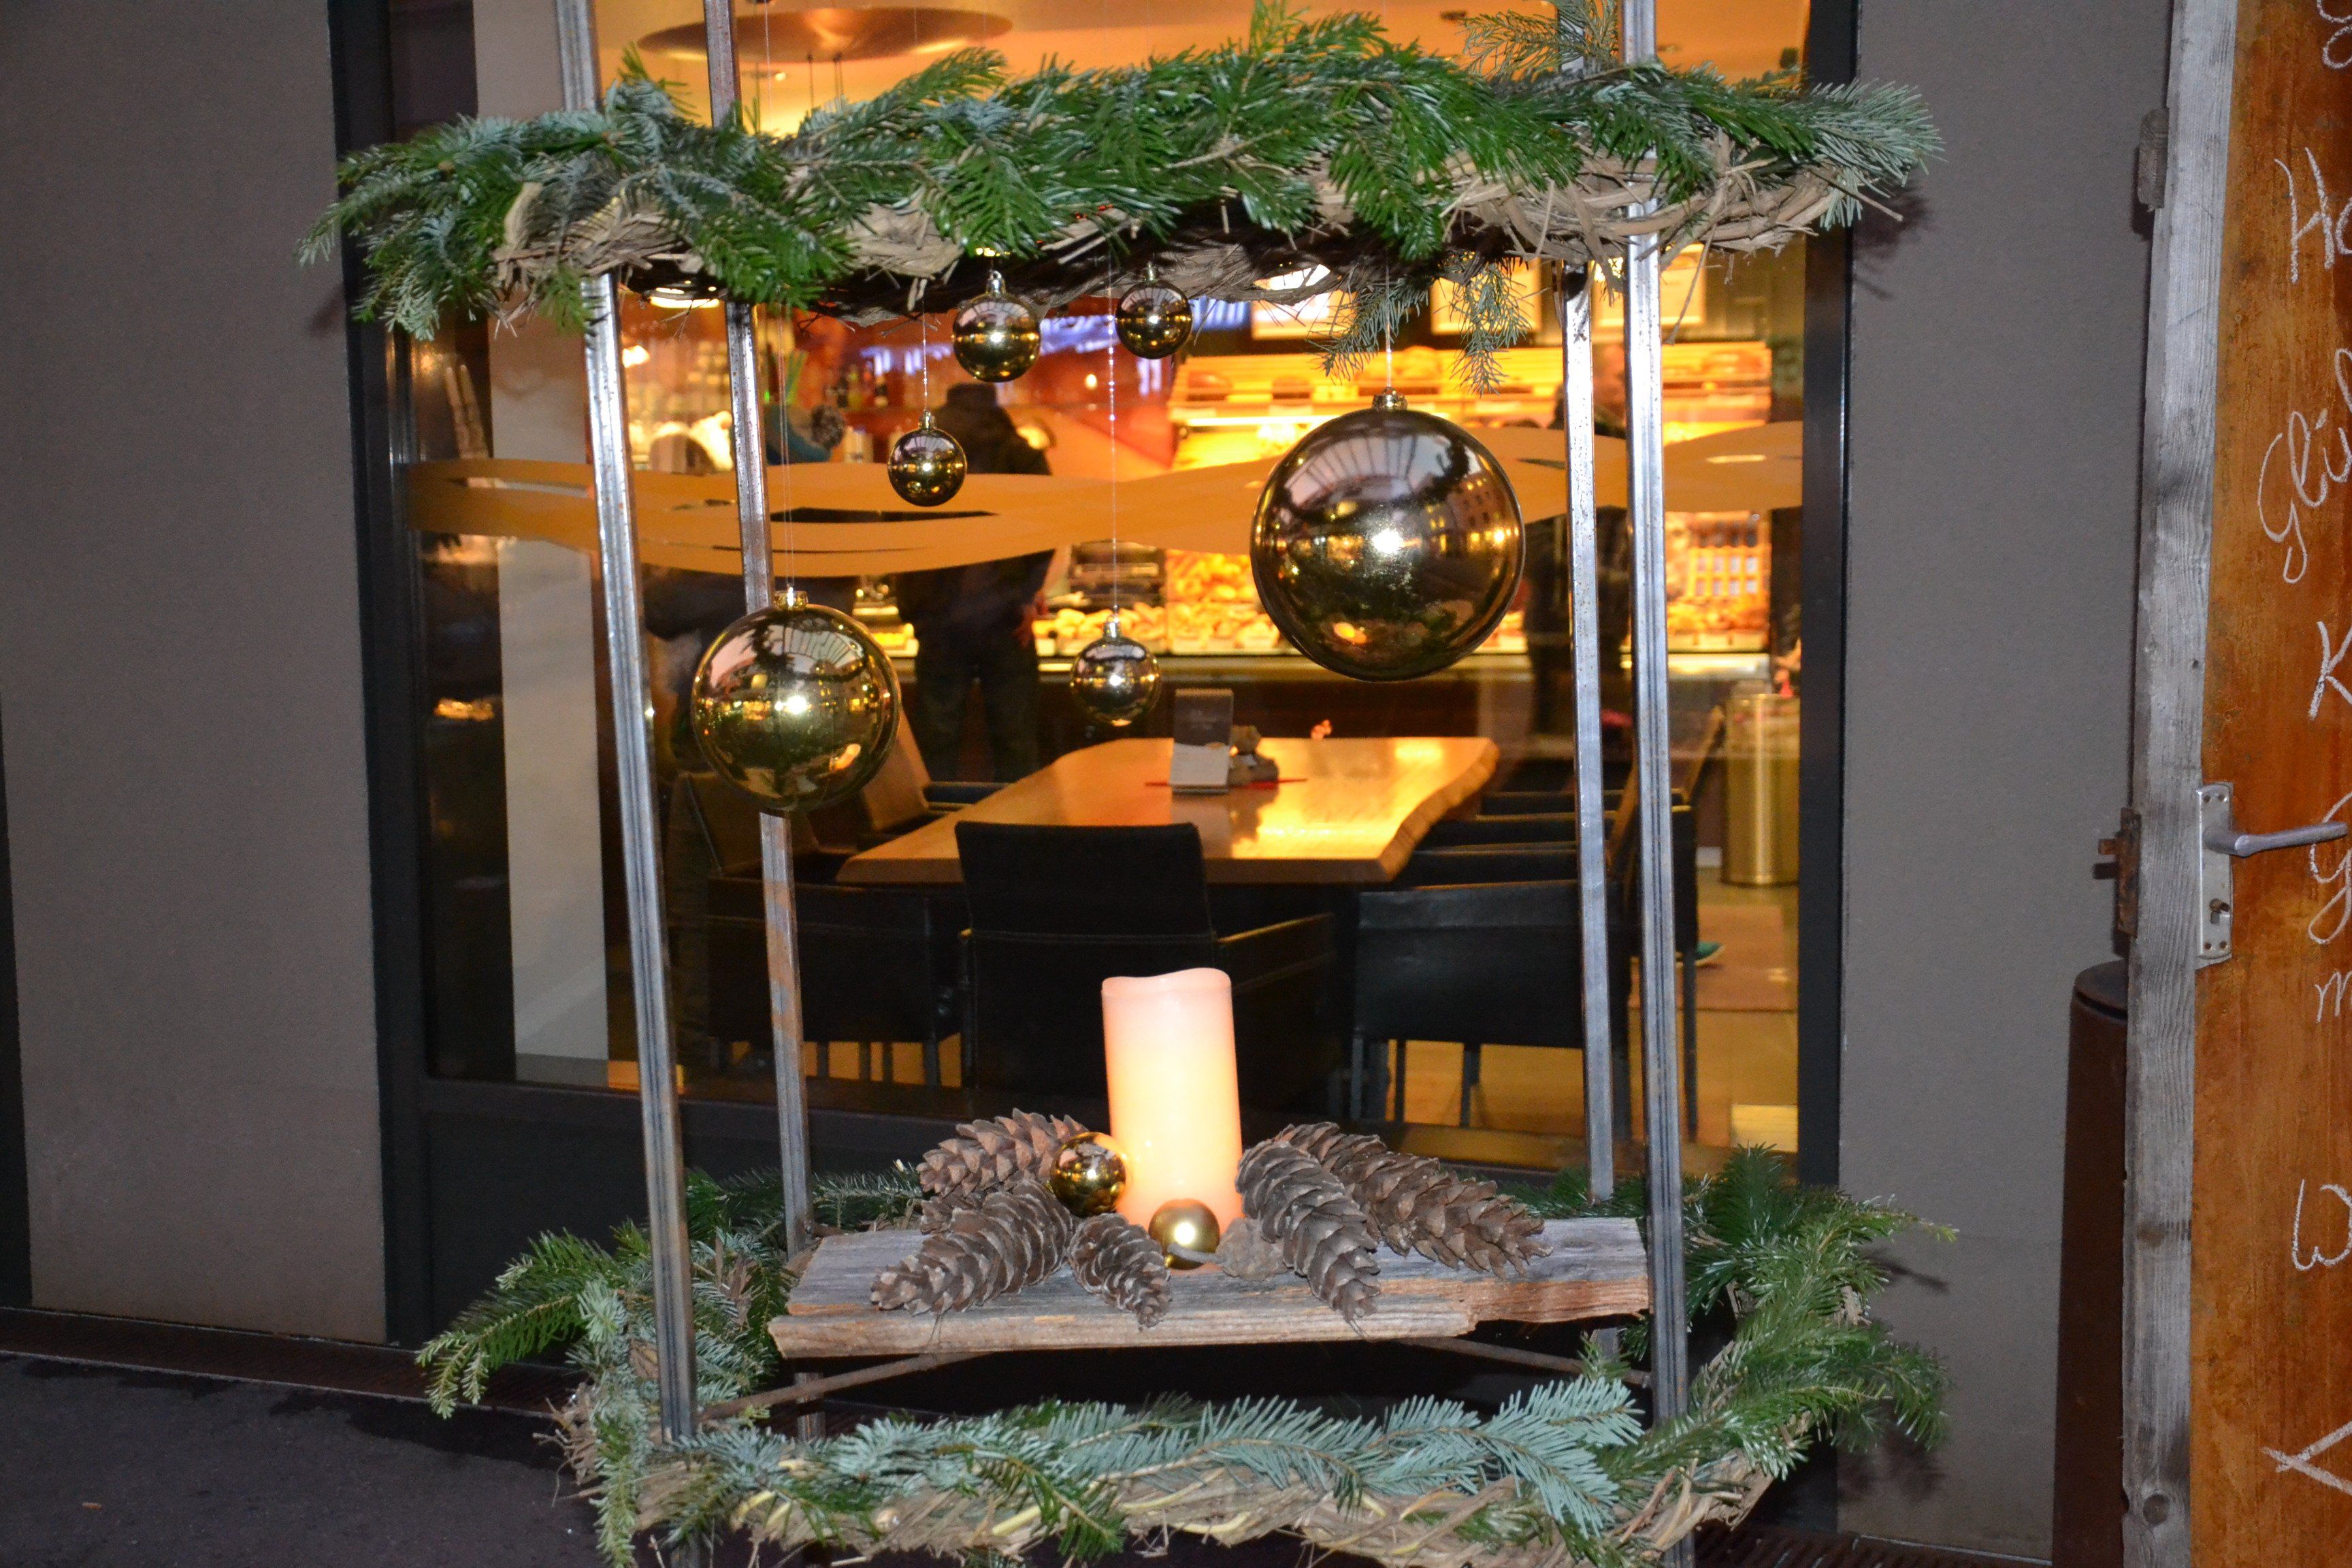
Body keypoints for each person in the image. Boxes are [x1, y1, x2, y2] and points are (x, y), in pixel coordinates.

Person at [894, 382, 1054, 781]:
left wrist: (915, 606)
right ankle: (1021, 818)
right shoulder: (1018, 453)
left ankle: (937, 818)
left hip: (940, 619)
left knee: (938, 742)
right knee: (1015, 740)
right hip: (1006, 618)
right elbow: (1050, 526)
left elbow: (893, 532)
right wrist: (1026, 594)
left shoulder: (919, 456)